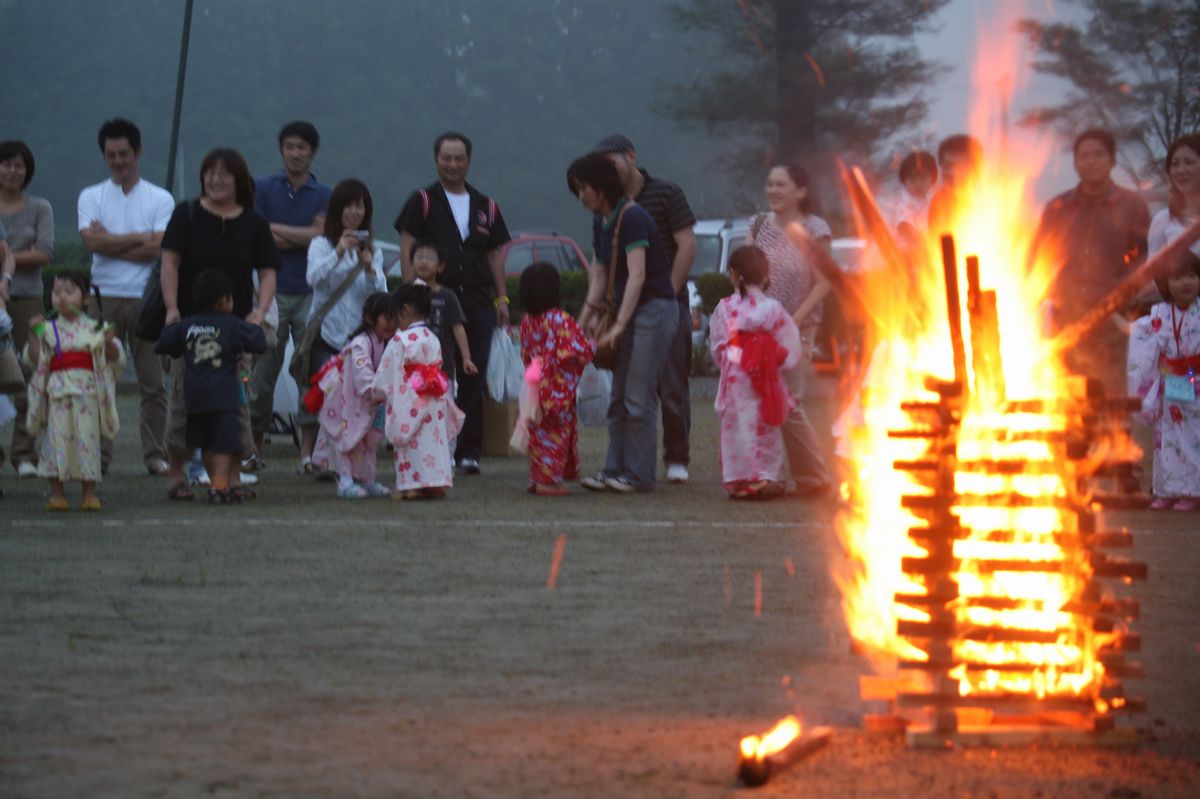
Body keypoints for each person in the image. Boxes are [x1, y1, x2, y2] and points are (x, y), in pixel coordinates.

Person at [160, 148, 279, 500]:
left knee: (234, 403)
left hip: (235, 329)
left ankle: (232, 475)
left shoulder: (254, 222)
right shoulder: (187, 214)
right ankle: (177, 472)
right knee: (182, 399)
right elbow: (170, 262)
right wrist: (170, 309)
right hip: (190, 327)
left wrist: (261, 310)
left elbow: (268, 271)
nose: (215, 179)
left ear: (239, 180)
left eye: (224, 173)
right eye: (209, 172)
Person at [393, 131, 510, 475]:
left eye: (460, 158)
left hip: (476, 301)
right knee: (432, 374)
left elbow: (495, 255)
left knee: (473, 375)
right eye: (447, 157)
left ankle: (469, 450)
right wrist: (409, 293)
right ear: (436, 159)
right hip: (432, 304)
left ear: (469, 161)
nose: (453, 164)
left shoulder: (486, 206)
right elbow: (407, 244)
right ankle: (428, 442)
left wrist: (502, 298)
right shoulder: (423, 201)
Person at [569, 152, 678, 493]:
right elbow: (600, 273)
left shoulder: (632, 217)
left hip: (654, 309)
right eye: (578, 189)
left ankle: (639, 475)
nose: (581, 196)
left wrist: (619, 325)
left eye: (584, 187)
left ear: (601, 186)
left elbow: (638, 274)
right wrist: (582, 320)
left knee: (637, 396)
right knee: (618, 398)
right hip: (628, 312)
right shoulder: (601, 220)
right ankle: (613, 469)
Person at [593, 134, 697, 484]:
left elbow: (686, 246)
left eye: (613, 163)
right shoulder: (607, 207)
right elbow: (602, 265)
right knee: (629, 391)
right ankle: (625, 467)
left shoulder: (666, 193)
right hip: (628, 306)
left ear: (631, 157)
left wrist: (668, 291)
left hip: (664, 301)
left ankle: (677, 457)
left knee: (670, 386)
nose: (609, 171)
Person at [77, 118, 174, 476]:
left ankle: (155, 455)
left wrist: (111, 242)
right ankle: (98, 457)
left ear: (138, 152)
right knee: (101, 382)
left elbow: (160, 249)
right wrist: (140, 239)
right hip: (102, 300)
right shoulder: (91, 195)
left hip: (147, 298)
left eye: (124, 154)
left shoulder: (159, 197)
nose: (118, 161)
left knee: (153, 384)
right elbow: (91, 243)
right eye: (111, 155)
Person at [1032, 128, 1151, 396]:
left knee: (1110, 397)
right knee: (1068, 397)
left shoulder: (1131, 206)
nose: (1091, 161)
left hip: (1111, 317)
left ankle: (1115, 437)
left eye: (1098, 154)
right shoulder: (1058, 208)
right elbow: (1037, 257)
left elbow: (1144, 258)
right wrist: (1046, 299)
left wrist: (1122, 295)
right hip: (1066, 317)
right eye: (1083, 155)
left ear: (1112, 160)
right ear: (1075, 163)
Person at [248, 121, 332, 471]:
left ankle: (308, 453)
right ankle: (254, 450)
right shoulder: (262, 188)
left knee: (310, 372)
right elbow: (257, 235)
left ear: (313, 152)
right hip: (270, 291)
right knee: (262, 371)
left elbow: (324, 239)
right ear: (281, 149)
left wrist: (277, 230)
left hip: (311, 292)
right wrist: (306, 235)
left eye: (302, 147)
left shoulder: (325, 194)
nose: (295, 153)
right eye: (289, 146)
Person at [746, 163, 833, 495]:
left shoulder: (814, 229)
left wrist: (792, 322)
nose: (773, 191)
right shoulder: (757, 225)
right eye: (769, 184)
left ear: (801, 190)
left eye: (781, 184)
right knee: (759, 401)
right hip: (759, 328)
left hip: (799, 328)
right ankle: (768, 474)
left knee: (788, 402)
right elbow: (744, 273)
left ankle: (814, 475)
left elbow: (825, 282)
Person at [154, 269, 268, 503]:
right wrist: (255, 324)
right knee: (226, 442)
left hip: (194, 396)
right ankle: (219, 485)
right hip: (224, 395)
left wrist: (176, 329)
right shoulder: (232, 325)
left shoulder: (188, 326)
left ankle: (217, 481)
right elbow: (259, 343)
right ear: (224, 301)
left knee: (206, 442)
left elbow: (163, 343)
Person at [301, 178, 388, 472]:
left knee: (356, 402)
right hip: (327, 334)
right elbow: (314, 279)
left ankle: (351, 462)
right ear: (337, 210)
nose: (354, 211)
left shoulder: (371, 250)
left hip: (357, 341)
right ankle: (324, 460)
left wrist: (368, 268)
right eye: (348, 206)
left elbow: (378, 295)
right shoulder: (320, 244)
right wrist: (338, 251)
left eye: (360, 206)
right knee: (329, 401)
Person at [24, 272, 124, 510]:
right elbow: (36, 361)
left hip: (86, 394)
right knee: (55, 442)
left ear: (86, 298)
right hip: (58, 393)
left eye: (69, 291)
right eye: (57, 292)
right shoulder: (46, 328)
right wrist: (33, 334)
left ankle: (89, 493)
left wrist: (109, 342)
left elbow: (115, 360)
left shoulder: (95, 328)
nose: (62, 297)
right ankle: (57, 493)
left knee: (87, 441)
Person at [709, 247, 802, 499]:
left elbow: (719, 344)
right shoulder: (772, 307)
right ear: (764, 276)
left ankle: (742, 479)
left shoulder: (726, 307)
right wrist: (773, 362)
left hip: (738, 377)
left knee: (738, 427)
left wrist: (736, 361)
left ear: (734, 274)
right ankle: (766, 476)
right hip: (766, 375)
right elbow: (789, 340)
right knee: (764, 426)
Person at [374, 283, 464, 499]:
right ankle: (434, 482)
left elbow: (386, 373)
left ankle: (411, 485)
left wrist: (377, 392)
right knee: (431, 441)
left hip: (409, 397)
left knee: (410, 441)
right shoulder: (432, 338)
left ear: (405, 311)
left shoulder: (400, 340)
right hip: (432, 398)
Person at [1126, 249, 1200, 511]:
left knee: (1193, 437)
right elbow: (1142, 341)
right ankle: (1168, 488)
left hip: (1196, 382)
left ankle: (1192, 492)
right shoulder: (1158, 314)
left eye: (1192, 276)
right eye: (1178, 277)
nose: (1187, 282)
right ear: (1165, 284)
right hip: (1171, 386)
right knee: (1167, 438)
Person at [518, 262, 596, 496]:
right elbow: (579, 350)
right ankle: (548, 482)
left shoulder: (527, 321)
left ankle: (538, 476)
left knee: (538, 432)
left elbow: (526, 353)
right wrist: (594, 343)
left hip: (534, 385)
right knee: (555, 433)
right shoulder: (559, 319)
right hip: (556, 387)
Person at [0, 140, 54, 476]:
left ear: (27, 171)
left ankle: (23, 454)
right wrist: (21, 255)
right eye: (5, 164)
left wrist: (6, 257)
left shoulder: (40, 208)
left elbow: (45, 254)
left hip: (29, 299)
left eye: (18, 165)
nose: (11, 171)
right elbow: (32, 254)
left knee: (30, 374)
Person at [310, 292, 395, 499]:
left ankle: (368, 479)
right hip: (346, 401)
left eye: (394, 318)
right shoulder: (360, 344)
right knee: (349, 440)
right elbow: (363, 378)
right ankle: (345, 481)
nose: (391, 323)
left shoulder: (383, 343)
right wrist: (384, 392)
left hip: (366, 400)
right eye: (386, 317)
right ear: (369, 318)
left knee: (370, 441)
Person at [409, 238, 477, 384]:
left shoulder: (447, 296)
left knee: (443, 404)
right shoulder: (406, 294)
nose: (424, 262)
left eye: (430, 258)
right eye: (420, 257)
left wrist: (466, 358)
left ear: (440, 266)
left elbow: (458, 327)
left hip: (442, 365)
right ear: (411, 263)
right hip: (412, 364)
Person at [1148, 134, 1200, 262]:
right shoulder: (1163, 220)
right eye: (1175, 164)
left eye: (1189, 162)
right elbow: (1152, 275)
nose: (1181, 170)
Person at [928, 134, 984, 237]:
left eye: (962, 167)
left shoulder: (992, 202)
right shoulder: (938, 203)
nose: (954, 173)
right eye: (948, 166)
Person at [890, 149, 938, 249]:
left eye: (923, 178)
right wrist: (919, 239)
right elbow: (904, 225)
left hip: (925, 251)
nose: (918, 183)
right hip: (907, 254)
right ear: (904, 179)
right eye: (912, 178)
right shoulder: (903, 204)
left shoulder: (929, 199)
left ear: (932, 179)